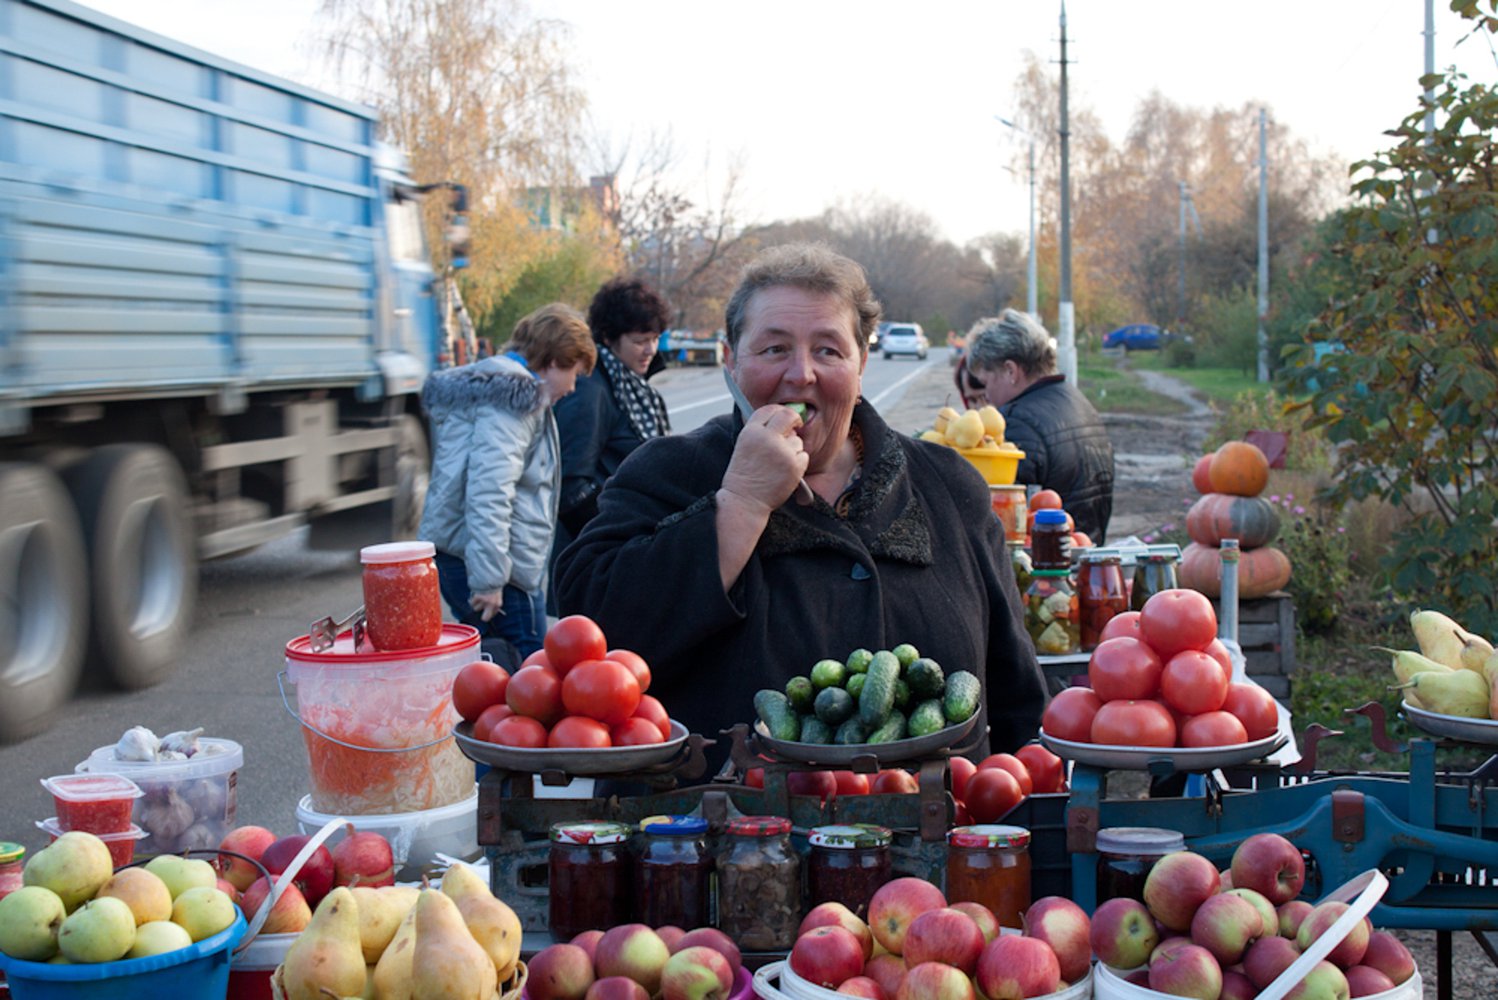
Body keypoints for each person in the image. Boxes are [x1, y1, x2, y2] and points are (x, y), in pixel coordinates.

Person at [555, 244, 1044, 770]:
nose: (801, 373)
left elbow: (1015, 692)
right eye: (774, 349)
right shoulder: (667, 471)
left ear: (860, 367)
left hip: (934, 834)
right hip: (733, 840)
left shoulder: (950, 487)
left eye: (829, 351)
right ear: (730, 360)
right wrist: (740, 502)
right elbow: (593, 639)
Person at [419, 303, 596, 659]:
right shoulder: (513, 401)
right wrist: (488, 580)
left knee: (511, 670)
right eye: (574, 373)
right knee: (526, 677)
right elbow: (489, 491)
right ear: (552, 360)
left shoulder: (495, 391)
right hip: (495, 569)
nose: (574, 387)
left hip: (481, 559)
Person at [550, 278, 673, 591]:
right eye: (639, 340)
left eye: (655, 338)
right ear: (608, 337)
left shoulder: (629, 386)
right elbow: (570, 487)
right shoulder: (590, 390)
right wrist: (618, 534)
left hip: (627, 548)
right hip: (600, 558)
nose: (650, 350)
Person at [965, 309, 1115, 542]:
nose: (987, 395)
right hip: (1084, 550)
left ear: (1010, 371)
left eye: (985, 383)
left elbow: (1003, 516)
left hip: (1046, 562)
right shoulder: (1078, 401)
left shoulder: (1016, 423)